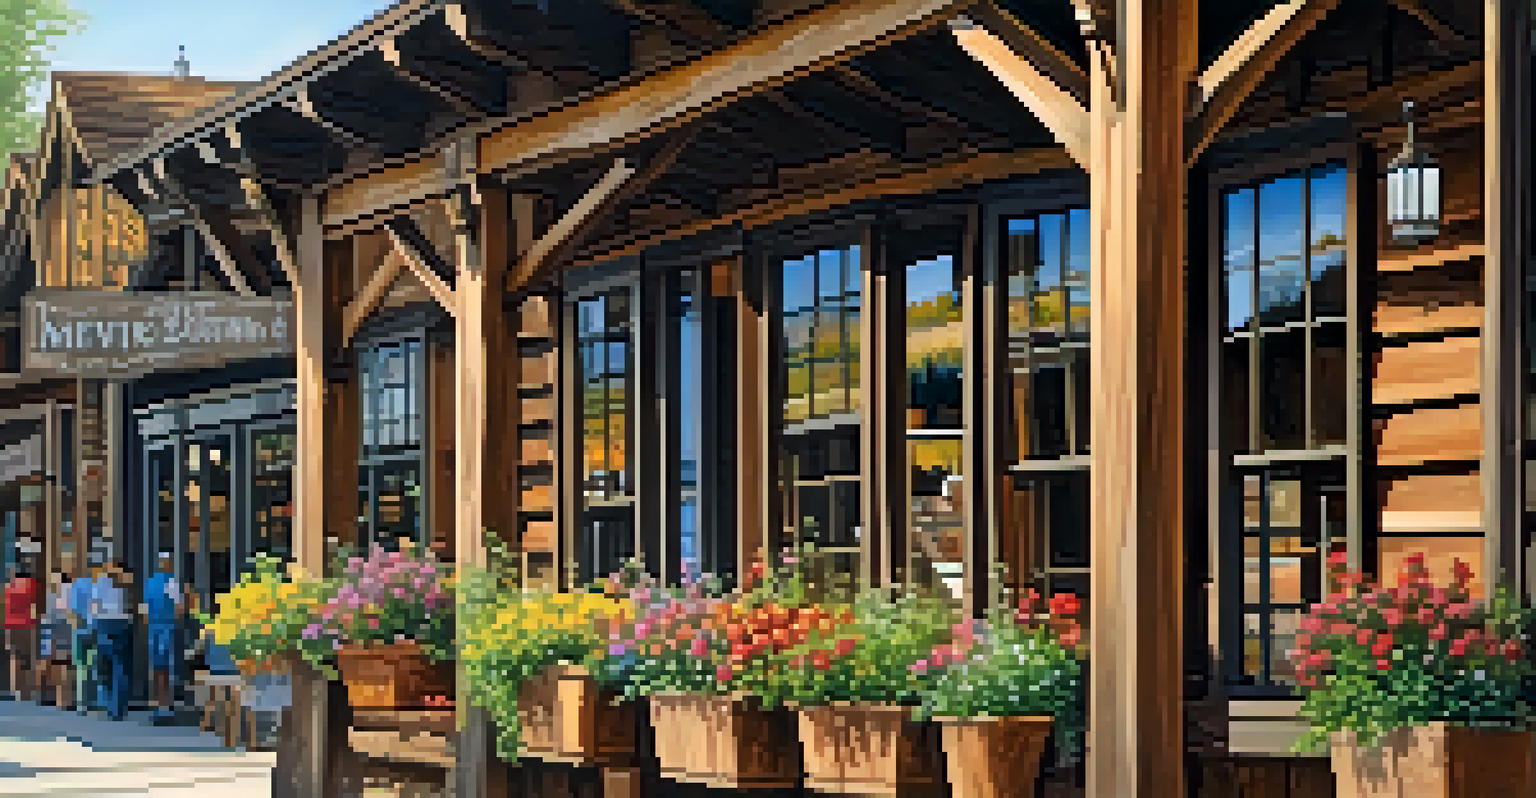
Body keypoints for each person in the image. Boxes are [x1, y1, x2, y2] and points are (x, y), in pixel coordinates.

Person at [92, 561, 135, 721]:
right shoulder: (126, 584)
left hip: (106, 624)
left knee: (108, 667)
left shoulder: (102, 582)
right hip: (120, 624)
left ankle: (111, 706)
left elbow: (95, 606)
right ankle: (117, 708)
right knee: (119, 668)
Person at [143, 552, 182, 721]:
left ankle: (157, 707)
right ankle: (165, 707)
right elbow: (179, 610)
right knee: (167, 670)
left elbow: (144, 612)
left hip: (154, 630)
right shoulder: (171, 583)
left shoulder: (150, 583)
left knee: (156, 669)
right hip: (167, 629)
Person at [3, 560, 42, 702]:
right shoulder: (32, 585)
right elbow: (35, 605)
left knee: (14, 658)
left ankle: (16, 689)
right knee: (28, 660)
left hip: (11, 626)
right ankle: (27, 690)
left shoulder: (9, 587)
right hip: (27, 626)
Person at [39, 570, 73, 708]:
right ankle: (63, 700)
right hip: (64, 633)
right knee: (63, 665)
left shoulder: (52, 597)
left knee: (54, 665)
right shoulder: (70, 595)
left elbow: (48, 618)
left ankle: (53, 697)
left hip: (55, 633)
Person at [68, 563, 98, 714]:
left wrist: (76, 627)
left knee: (81, 668)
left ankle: (82, 703)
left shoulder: (76, 587)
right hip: (95, 630)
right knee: (94, 666)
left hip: (80, 631)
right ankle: (94, 700)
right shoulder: (97, 586)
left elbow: (73, 612)